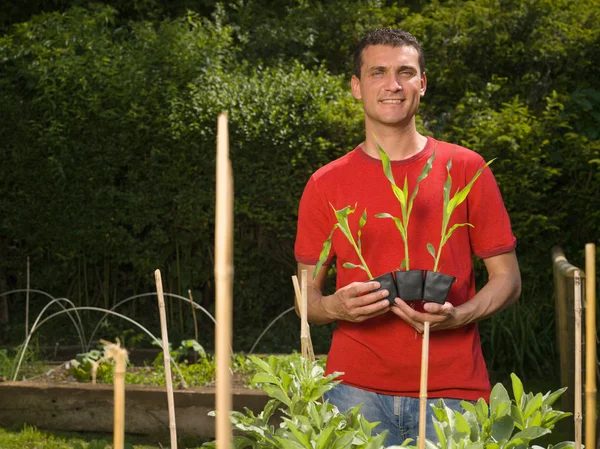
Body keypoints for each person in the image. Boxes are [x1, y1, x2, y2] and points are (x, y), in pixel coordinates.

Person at [294, 28, 521, 445]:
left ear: (422, 83)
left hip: (455, 392)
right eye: (378, 72)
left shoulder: (466, 169)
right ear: (356, 87)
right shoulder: (325, 184)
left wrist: (460, 314)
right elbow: (305, 300)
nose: (393, 84)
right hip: (352, 392)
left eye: (405, 72)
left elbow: (507, 278)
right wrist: (333, 305)